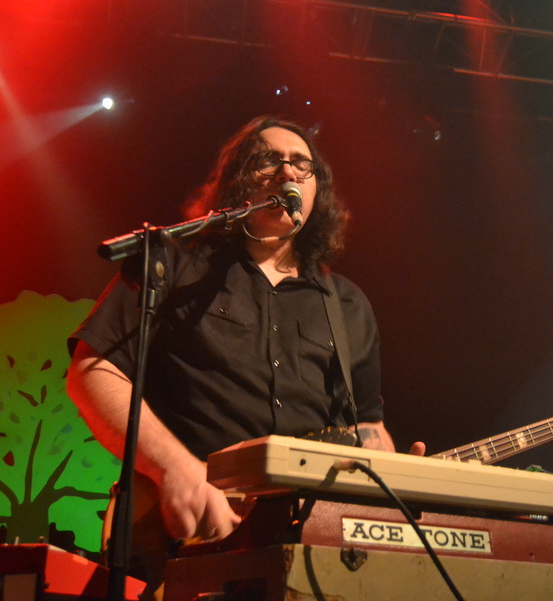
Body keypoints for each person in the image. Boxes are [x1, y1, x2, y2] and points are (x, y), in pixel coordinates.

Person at [66, 115, 424, 589]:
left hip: (304, 545)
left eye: (301, 164)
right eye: (267, 161)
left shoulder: (348, 305)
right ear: (238, 182)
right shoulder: (174, 264)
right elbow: (93, 368)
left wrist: (395, 478)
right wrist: (175, 470)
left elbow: (366, 428)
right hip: (184, 535)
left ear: (316, 190)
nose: (287, 171)